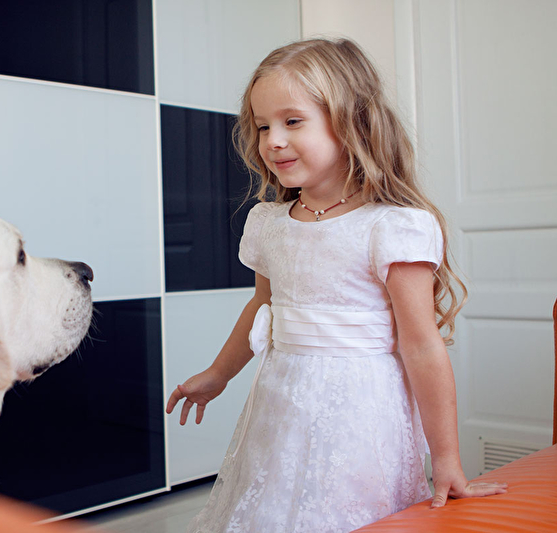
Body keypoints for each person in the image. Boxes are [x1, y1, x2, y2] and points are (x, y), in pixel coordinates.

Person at [165, 38, 507, 532]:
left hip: (361, 415)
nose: (273, 140)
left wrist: (447, 459)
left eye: (292, 121)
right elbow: (263, 307)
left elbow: (421, 345)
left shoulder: (392, 226)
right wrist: (219, 374)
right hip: (279, 406)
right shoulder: (269, 222)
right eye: (263, 126)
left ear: (352, 122)